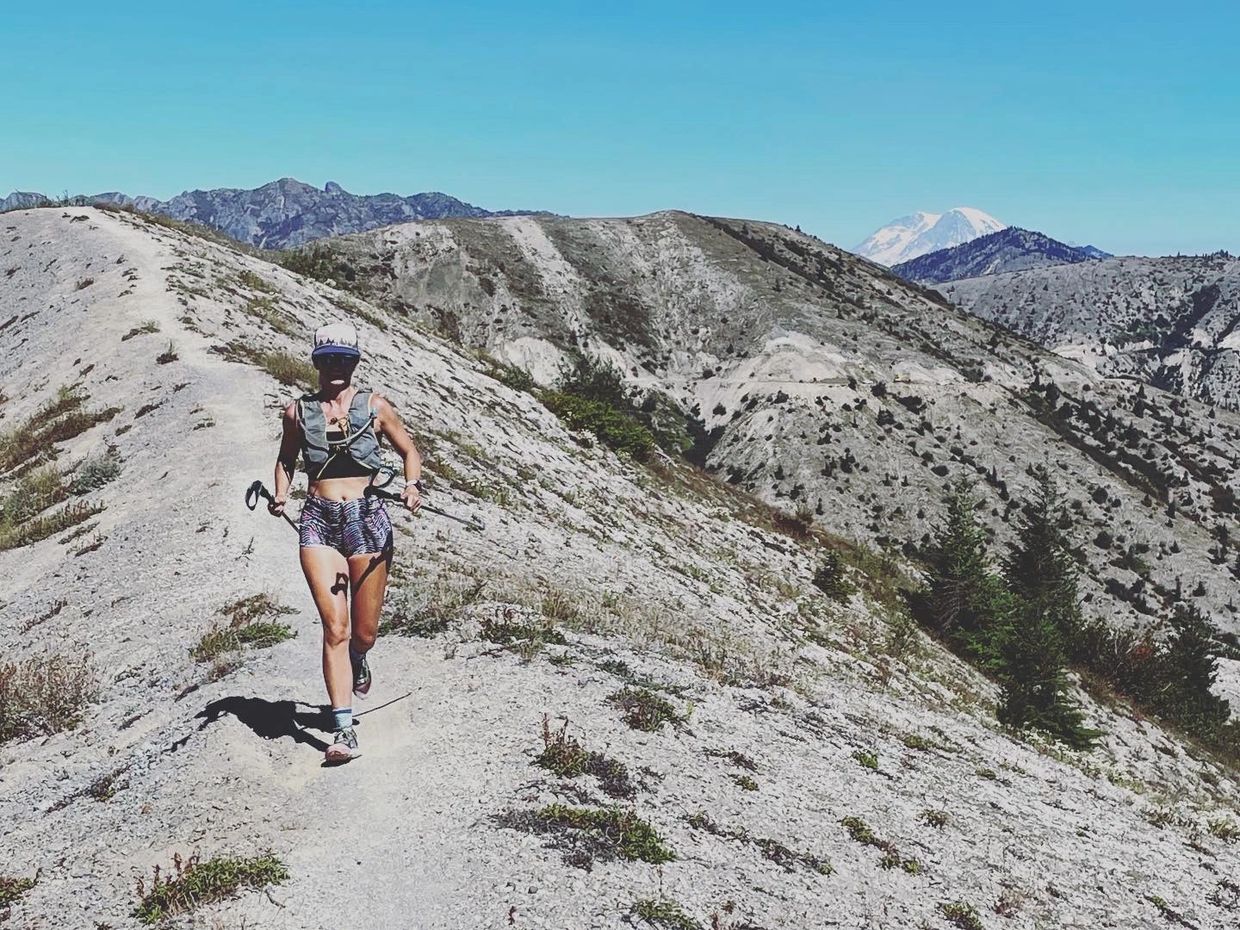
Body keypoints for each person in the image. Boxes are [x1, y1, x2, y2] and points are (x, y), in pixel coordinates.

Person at [269, 321, 423, 764]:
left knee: (364, 631)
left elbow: (409, 451)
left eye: (343, 359)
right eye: (327, 359)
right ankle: (342, 729)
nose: (335, 367)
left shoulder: (376, 408)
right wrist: (281, 493)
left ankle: (359, 656)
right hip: (318, 520)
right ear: (316, 362)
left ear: (354, 362)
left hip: (368, 518)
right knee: (333, 626)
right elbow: (286, 459)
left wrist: (412, 486)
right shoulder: (297, 412)